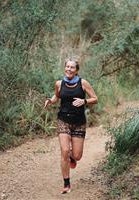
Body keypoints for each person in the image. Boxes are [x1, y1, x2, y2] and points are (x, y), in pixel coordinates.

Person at [44, 58, 98, 194]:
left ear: (77, 70)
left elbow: (95, 99)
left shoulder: (83, 83)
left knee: (77, 155)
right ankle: (66, 183)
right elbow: (57, 96)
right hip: (63, 120)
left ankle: (73, 158)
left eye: (72, 67)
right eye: (67, 67)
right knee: (65, 151)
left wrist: (84, 100)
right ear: (64, 68)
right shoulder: (59, 83)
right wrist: (50, 101)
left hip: (79, 123)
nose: (69, 69)